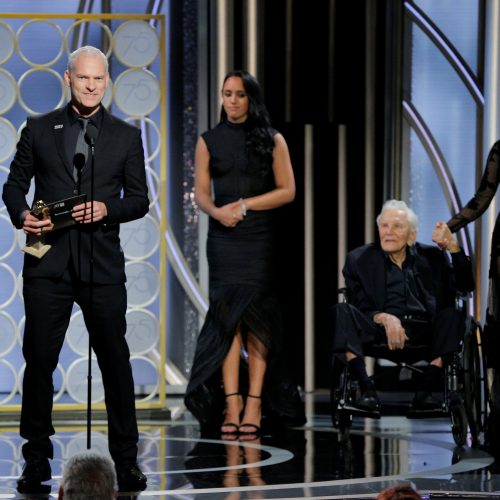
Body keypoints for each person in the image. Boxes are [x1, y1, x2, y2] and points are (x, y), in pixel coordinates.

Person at [2, 46, 148, 493]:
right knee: (40, 361)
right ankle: (36, 462)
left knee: (116, 362)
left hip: (100, 263)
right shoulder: (40, 128)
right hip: (48, 260)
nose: (90, 86)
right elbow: (14, 185)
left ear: (107, 82)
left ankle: (125, 461)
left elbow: (139, 200)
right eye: (83, 78)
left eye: (98, 80)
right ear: (68, 78)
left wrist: (106, 208)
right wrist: (20, 213)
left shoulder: (125, 135)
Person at [184, 70, 305, 437]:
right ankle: (232, 403)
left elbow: (287, 191)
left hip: (259, 239)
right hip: (224, 240)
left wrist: (245, 205)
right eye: (227, 94)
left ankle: (254, 403)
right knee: (226, 321)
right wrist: (218, 211)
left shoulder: (273, 140)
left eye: (239, 94)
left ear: (251, 98)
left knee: (258, 321)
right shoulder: (209, 141)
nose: (232, 101)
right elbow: (202, 194)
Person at [331, 199, 474, 414]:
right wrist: (386, 318)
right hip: (379, 332)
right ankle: (367, 390)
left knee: (454, 315)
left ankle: (425, 393)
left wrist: (453, 248)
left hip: (425, 333)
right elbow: (359, 304)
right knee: (341, 311)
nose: (389, 232)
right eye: (384, 226)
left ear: (412, 234)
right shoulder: (358, 260)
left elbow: (465, 287)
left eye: (398, 226)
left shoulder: (433, 257)